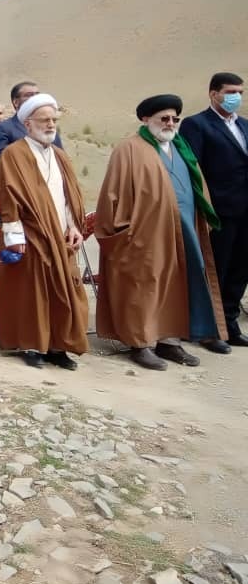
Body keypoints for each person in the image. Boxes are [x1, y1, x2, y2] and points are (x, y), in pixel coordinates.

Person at [96, 95, 229, 370]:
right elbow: (113, 194)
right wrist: (123, 232)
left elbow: (196, 187)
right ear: (146, 119)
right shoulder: (129, 149)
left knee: (179, 284)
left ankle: (169, 341)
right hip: (144, 234)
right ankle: (141, 344)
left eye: (174, 119)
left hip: (184, 231)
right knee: (145, 285)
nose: (170, 123)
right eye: (164, 118)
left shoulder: (180, 147)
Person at [0, 94, 88, 368]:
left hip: (61, 236)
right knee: (31, 293)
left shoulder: (60, 155)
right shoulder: (13, 155)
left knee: (62, 290)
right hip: (30, 236)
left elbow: (71, 196)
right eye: (44, 120)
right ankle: (31, 345)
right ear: (27, 124)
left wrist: (74, 227)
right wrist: (14, 238)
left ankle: (58, 347)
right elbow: (8, 199)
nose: (50, 125)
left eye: (53, 120)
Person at [179, 72, 248, 347]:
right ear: (213, 93)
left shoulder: (244, 125)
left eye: (240, 92)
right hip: (218, 211)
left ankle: (229, 324)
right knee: (215, 270)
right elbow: (192, 169)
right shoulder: (196, 125)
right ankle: (209, 330)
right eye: (231, 92)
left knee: (240, 268)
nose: (236, 97)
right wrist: (203, 209)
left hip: (245, 210)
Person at [0, 81, 64, 166]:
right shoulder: (3, 128)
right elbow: (0, 160)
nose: (35, 98)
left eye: (37, 95)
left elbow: (61, 157)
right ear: (16, 102)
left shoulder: (49, 126)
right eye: (29, 95)